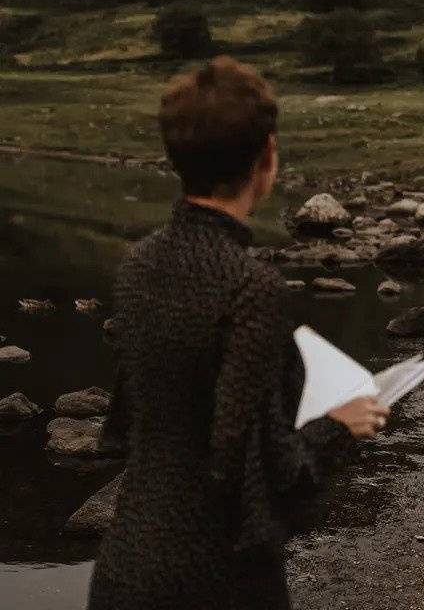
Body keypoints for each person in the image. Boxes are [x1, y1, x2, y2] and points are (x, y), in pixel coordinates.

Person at [87, 56, 390, 610]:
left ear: (176, 156)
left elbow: (124, 428)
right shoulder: (250, 285)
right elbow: (269, 469)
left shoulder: (138, 265)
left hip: (125, 565)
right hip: (215, 575)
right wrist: (341, 424)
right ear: (267, 156)